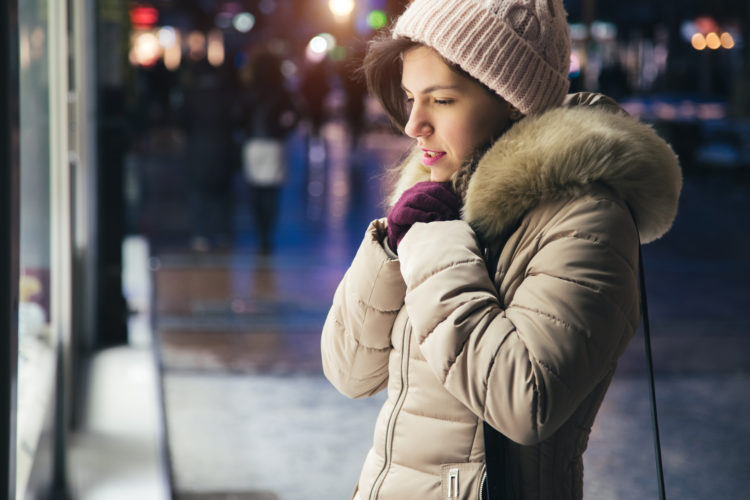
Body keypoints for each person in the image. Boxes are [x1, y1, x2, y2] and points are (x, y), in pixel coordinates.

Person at [320, 0, 682, 499]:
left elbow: (525, 401)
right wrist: (391, 246)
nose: (413, 126)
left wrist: (430, 243)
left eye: (441, 100)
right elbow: (350, 371)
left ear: (513, 103)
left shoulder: (587, 218)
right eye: (410, 98)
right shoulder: (438, 199)